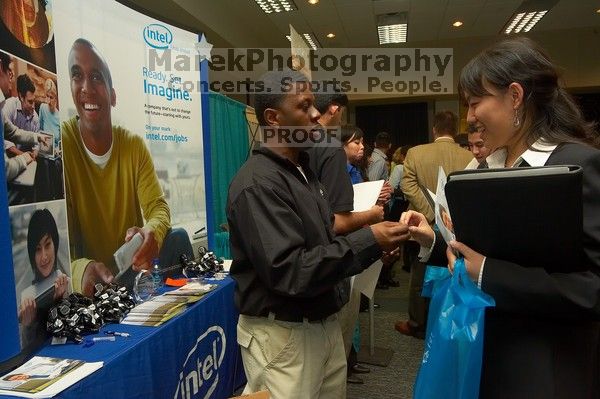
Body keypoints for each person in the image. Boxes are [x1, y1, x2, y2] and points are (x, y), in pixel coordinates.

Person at [405, 36, 600, 398]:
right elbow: (489, 249)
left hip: (544, 365)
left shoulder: (575, 167)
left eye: (476, 102)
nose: (470, 117)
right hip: (487, 353)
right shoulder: (492, 167)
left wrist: (491, 274)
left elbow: (592, 288)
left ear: (514, 96)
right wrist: (440, 244)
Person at [227, 69, 410, 398]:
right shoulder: (258, 184)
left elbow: (323, 239)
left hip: (321, 322)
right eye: (304, 106)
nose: (317, 114)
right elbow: (292, 271)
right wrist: (369, 239)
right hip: (284, 336)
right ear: (274, 118)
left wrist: (375, 248)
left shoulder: (303, 172)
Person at [62, 38, 174, 296]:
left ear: (113, 96)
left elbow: (158, 208)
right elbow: (53, 243)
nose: (86, 88)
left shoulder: (133, 146)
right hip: (82, 293)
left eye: (97, 78)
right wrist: (80, 269)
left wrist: (150, 233)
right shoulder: (62, 146)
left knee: (176, 236)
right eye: (77, 76)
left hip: (131, 281)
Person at [396, 111, 472, 338]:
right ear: (455, 131)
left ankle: (417, 322)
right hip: (458, 222)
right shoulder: (469, 156)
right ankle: (450, 319)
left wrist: (430, 214)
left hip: (425, 222)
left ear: (434, 129)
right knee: (454, 268)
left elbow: (407, 185)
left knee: (421, 271)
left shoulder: (416, 153)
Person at [18, 209, 68, 348]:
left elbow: (70, 331)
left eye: (47, 245)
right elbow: (26, 352)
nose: (44, 256)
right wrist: (28, 325)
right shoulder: (27, 297)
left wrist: (59, 302)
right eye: (38, 249)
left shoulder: (63, 280)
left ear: (55, 243)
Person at [38, 78, 60, 149]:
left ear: (56, 98)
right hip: (43, 148)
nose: (49, 100)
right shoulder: (42, 108)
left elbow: (60, 141)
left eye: (51, 97)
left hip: (55, 152)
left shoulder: (59, 116)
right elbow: (39, 129)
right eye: (47, 96)